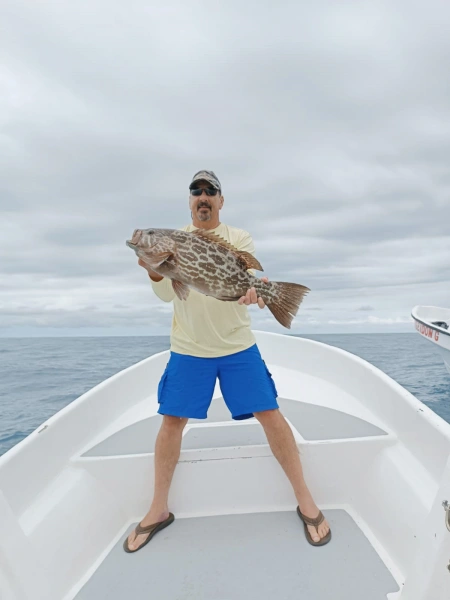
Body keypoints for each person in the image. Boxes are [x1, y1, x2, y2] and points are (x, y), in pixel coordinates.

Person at [123, 170, 331, 553]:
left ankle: (306, 500)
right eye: (196, 191)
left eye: (210, 191)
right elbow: (170, 298)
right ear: (189, 201)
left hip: (237, 346)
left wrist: (256, 293)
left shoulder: (239, 238)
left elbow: (244, 278)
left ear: (220, 200)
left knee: (270, 413)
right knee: (172, 422)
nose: (203, 196)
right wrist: (155, 269)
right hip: (189, 348)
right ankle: (157, 509)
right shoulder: (173, 242)